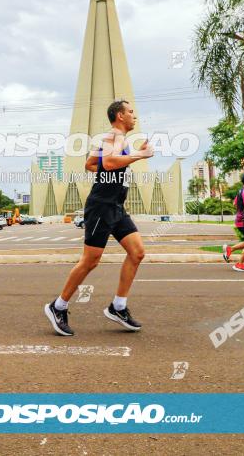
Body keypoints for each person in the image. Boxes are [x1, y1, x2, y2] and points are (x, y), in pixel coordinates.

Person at [44, 100, 154, 336]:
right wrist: (140, 155)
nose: (134, 115)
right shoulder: (114, 136)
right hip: (101, 207)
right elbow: (110, 162)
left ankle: (118, 307)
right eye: (131, 112)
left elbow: (91, 164)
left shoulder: (116, 139)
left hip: (116, 207)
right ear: (120, 116)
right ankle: (57, 306)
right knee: (90, 261)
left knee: (137, 253)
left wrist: (108, 171)